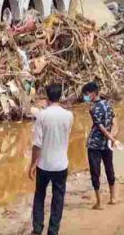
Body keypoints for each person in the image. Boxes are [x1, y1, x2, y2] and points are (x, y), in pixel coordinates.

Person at [29, 84, 74, 235]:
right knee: (58, 198)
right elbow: (66, 135)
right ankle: (53, 230)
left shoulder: (42, 116)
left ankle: (37, 228)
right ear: (60, 96)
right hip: (61, 164)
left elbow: (37, 144)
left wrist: (32, 165)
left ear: (47, 97)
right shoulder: (68, 115)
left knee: (40, 195)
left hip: (44, 164)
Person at [81, 82, 119, 210]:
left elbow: (101, 128)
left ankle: (99, 203)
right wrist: (113, 139)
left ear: (92, 93)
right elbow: (114, 122)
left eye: (86, 94)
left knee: (95, 172)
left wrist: (111, 138)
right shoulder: (108, 104)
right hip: (107, 144)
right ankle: (113, 197)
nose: (85, 97)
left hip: (95, 144)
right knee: (109, 168)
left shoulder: (93, 109)